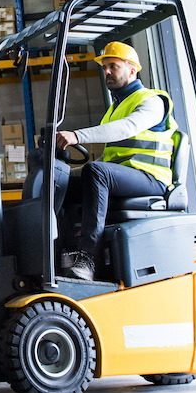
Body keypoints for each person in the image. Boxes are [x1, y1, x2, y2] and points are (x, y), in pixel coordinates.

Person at [53, 40, 180, 281]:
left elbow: (128, 128)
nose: (107, 72)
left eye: (113, 66)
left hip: (151, 179)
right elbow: (108, 157)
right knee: (64, 183)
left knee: (97, 172)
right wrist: (71, 172)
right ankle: (66, 253)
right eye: (105, 67)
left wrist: (78, 135)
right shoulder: (115, 108)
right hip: (124, 176)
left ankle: (87, 257)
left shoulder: (151, 101)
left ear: (132, 69)